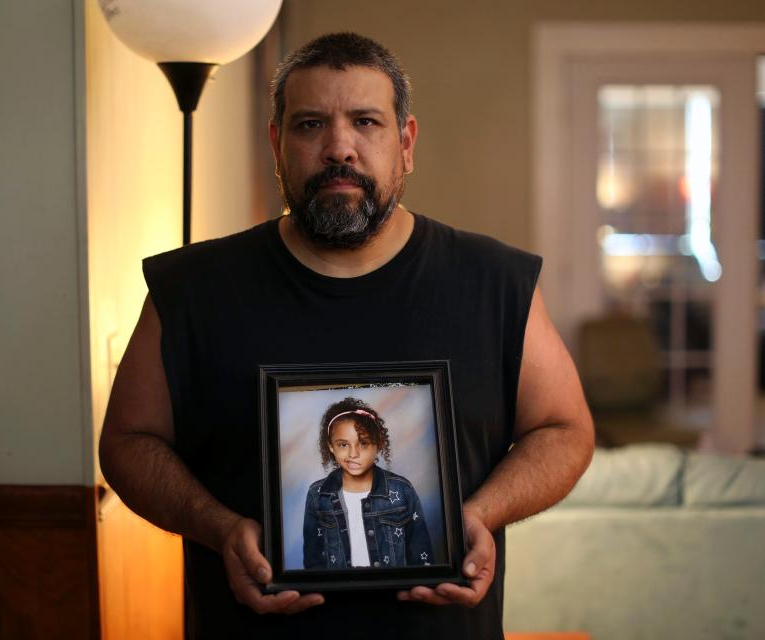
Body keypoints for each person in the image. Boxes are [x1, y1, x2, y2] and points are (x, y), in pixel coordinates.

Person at [99, 31, 594, 639]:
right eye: (310, 125)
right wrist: (217, 527)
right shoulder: (190, 289)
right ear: (277, 144)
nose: (340, 148)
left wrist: (481, 515)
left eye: (366, 122)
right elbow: (127, 441)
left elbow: (566, 430)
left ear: (405, 144)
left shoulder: (496, 282)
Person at [302, 397, 433, 570]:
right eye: (343, 445)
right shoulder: (317, 494)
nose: (353, 454)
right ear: (331, 448)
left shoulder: (401, 490)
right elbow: (313, 560)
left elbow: (421, 554)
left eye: (363, 443)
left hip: (393, 591)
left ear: (379, 444)